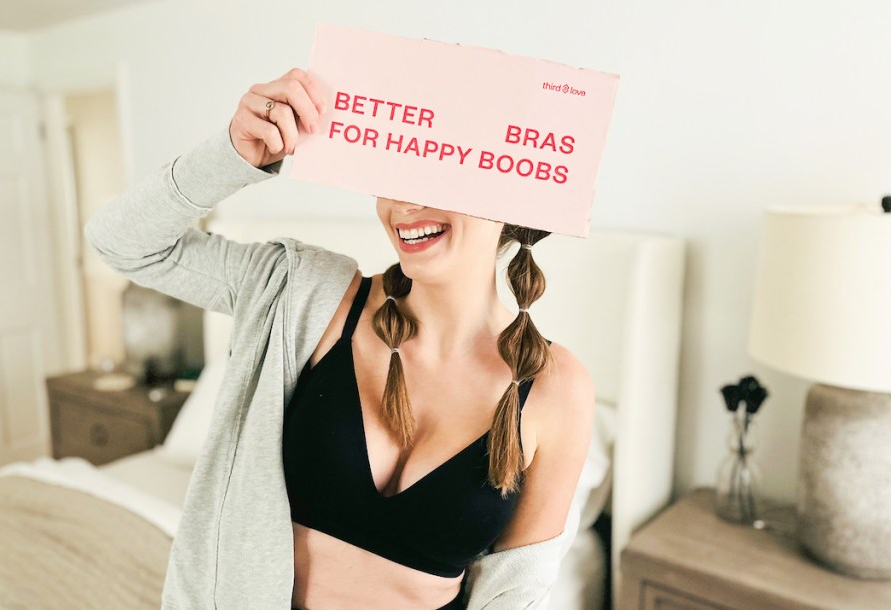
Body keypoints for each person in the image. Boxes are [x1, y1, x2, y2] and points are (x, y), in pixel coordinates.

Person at [86, 68, 594, 610]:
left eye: (437, 179)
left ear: (511, 197)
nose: (402, 206)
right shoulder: (305, 294)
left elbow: (515, 590)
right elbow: (122, 243)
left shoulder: (555, 388)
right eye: (391, 178)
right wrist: (232, 155)